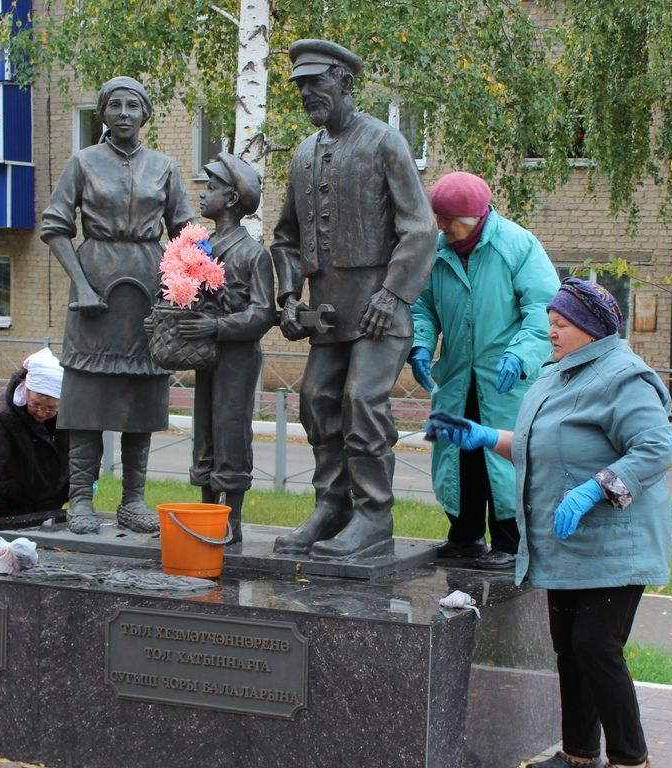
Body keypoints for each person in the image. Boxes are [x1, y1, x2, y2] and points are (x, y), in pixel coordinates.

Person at [425, 278, 672, 768]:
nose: (550, 333)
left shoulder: (624, 379)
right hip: (565, 548)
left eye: (560, 325)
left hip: (614, 546)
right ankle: (579, 752)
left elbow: (654, 448)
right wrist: (485, 436)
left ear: (588, 330)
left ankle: (632, 763)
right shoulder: (560, 376)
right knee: (568, 647)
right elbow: (541, 448)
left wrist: (592, 491)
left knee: (596, 646)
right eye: (551, 323)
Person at [272, 39, 438, 559]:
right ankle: (333, 505)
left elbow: (421, 228)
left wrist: (392, 294)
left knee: (361, 402)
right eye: (300, 85)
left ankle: (374, 517)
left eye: (315, 82)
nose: (307, 93)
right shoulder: (302, 154)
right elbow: (286, 240)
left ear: (344, 81)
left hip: (378, 311)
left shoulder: (385, 142)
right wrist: (285, 297)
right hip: (326, 313)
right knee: (317, 401)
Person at [41, 76, 196, 536]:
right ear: (103, 113)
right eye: (116, 105)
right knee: (88, 397)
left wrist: (185, 284)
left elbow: (186, 229)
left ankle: (132, 500)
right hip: (96, 283)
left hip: (148, 285)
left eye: (133, 106)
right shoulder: (83, 163)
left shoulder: (163, 167)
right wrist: (82, 284)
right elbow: (55, 226)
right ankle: (82, 498)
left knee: (140, 395)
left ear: (145, 115)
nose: (124, 113)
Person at [410, 171, 559, 571]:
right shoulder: (438, 250)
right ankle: (464, 536)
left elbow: (543, 310)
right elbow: (421, 305)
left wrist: (522, 355)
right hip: (457, 377)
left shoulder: (518, 246)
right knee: (457, 456)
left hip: (508, 381)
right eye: (436, 217)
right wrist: (421, 343)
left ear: (474, 217)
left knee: (506, 457)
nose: (439, 225)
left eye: (446, 218)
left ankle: (510, 544)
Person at [176, 153, 277, 543]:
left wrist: (217, 325)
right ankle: (205, 510)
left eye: (212, 188)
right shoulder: (200, 248)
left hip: (236, 356)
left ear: (233, 199)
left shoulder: (253, 254)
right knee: (204, 430)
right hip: (207, 355)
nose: (203, 195)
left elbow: (263, 313)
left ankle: (230, 519)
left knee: (231, 429)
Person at [0, 347, 71, 542]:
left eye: (50, 409)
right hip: (8, 503)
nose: (41, 412)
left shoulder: (69, 416)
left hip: (50, 503)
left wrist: (88, 479)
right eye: (36, 404)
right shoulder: (6, 416)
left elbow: (82, 451)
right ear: (26, 392)